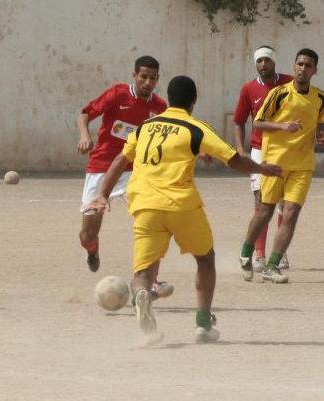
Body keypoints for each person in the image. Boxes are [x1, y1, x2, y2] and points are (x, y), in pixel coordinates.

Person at [86, 76, 281, 344]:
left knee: (142, 274)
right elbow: (234, 160)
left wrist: (102, 195)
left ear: (169, 96)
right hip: (181, 204)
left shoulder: (145, 127)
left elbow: (121, 159)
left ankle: (142, 297)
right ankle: (202, 322)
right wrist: (262, 168)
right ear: (194, 101)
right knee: (205, 258)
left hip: (144, 205)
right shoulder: (194, 127)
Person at [76, 56, 174, 297]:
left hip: (135, 172)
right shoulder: (117, 94)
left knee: (152, 221)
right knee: (87, 233)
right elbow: (84, 114)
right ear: (134, 75)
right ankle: (92, 249)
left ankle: (151, 281)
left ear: (157, 79)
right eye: (143, 77)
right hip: (102, 168)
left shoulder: (160, 107)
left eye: (152, 78)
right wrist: (84, 136)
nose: (147, 82)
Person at [239, 48, 324, 284]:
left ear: (315, 70)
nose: (302, 69)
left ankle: (272, 265)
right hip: (275, 163)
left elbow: (320, 126)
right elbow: (258, 123)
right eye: (299, 64)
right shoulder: (279, 94)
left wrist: (320, 137)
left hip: (303, 165)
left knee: (291, 213)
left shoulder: (319, 98)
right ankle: (246, 251)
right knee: (265, 211)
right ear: (294, 65)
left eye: (308, 66)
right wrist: (282, 126)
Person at [233, 45, 293, 273]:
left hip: (287, 150)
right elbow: (239, 120)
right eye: (259, 61)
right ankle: (258, 254)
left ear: (274, 62)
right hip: (260, 150)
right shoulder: (249, 89)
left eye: (267, 60)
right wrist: (240, 148)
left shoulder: (289, 84)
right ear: (255, 64)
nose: (263, 65)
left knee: (286, 204)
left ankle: (281, 252)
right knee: (261, 203)